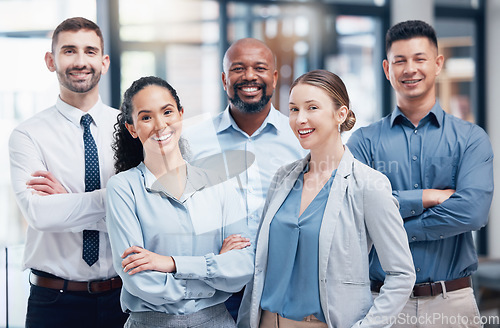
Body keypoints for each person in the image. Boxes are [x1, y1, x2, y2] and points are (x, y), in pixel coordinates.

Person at [238, 69, 416, 328]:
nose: (300, 119)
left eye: (312, 108)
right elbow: (261, 262)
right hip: (266, 321)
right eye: (294, 109)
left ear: (340, 114)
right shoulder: (283, 178)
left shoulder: (369, 185)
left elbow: (401, 274)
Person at [347, 20, 494, 327]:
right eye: (400, 61)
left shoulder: (470, 139)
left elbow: (472, 212)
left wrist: (389, 219)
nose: (409, 69)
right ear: (387, 68)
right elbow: (356, 212)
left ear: (438, 64)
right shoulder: (364, 142)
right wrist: (427, 197)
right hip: (383, 304)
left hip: (452, 303)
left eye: (419, 59)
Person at [106, 76, 254, 328]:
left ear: (180, 115)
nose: (160, 124)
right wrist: (215, 270)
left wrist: (170, 264)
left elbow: (242, 267)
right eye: (146, 117)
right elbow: (139, 281)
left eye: (167, 112)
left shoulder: (219, 183)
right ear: (132, 128)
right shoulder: (123, 188)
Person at [8, 17, 128, 328]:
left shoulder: (129, 131)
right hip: (54, 302)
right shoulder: (27, 135)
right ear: (51, 60)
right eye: (69, 51)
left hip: (124, 298)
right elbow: (40, 215)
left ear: (104, 61)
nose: (80, 61)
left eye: (90, 51)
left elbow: (146, 214)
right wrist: (119, 202)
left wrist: (69, 202)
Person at [183, 37, 307, 319]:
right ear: (225, 78)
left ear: (274, 77)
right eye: (238, 68)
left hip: (282, 282)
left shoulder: (300, 138)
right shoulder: (194, 141)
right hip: (215, 287)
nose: (249, 76)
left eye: (259, 68)